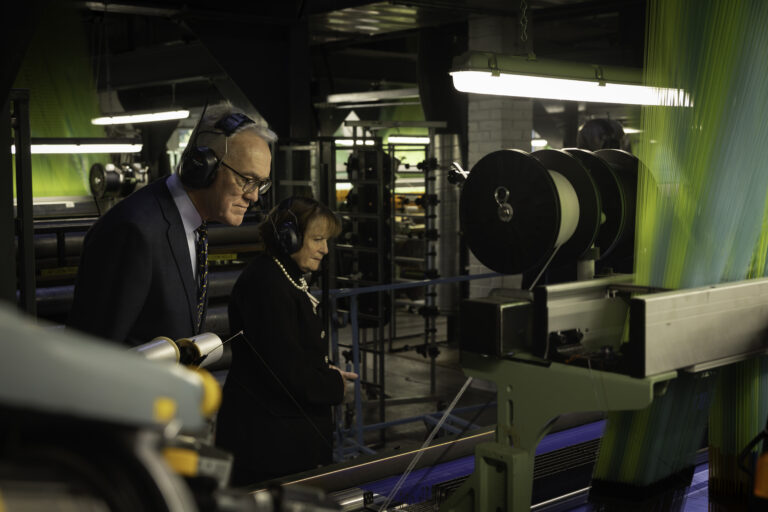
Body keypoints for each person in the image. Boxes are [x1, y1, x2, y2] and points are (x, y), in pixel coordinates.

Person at [68, 103, 275, 346]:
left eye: (260, 184)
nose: (253, 196)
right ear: (203, 166)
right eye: (246, 180)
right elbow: (93, 352)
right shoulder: (133, 230)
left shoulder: (194, 225)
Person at [215, 196, 358, 486]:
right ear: (288, 237)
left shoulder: (284, 277)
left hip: (283, 439)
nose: (325, 249)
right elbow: (285, 372)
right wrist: (335, 386)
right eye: (317, 239)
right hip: (268, 447)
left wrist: (328, 372)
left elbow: (294, 355)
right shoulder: (266, 285)